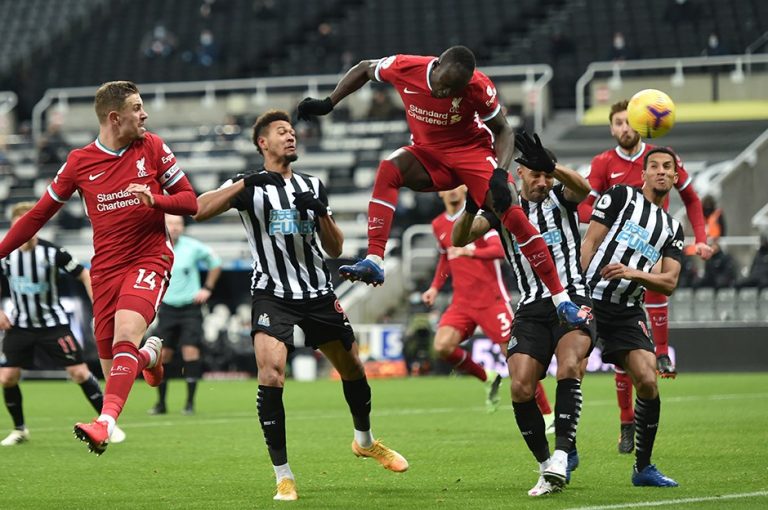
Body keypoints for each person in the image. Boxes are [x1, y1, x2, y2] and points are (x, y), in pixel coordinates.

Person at [193, 109, 408, 502]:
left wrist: (321, 211)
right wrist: (243, 183)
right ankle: (283, 475)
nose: (291, 137)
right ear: (263, 143)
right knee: (271, 374)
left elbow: (336, 248)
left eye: (293, 132)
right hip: (272, 295)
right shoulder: (249, 187)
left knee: (353, 367)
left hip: (318, 293)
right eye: (281, 132)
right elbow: (199, 208)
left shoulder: (312, 184)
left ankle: (365, 440)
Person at [297, 45, 587, 329]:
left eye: (454, 90)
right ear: (436, 67)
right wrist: (329, 102)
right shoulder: (404, 67)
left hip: (472, 154)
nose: (446, 94)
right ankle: (375, 258)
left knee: (511, 209)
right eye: (444, 85)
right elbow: (363, 68)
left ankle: (561, 299)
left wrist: (499, 173)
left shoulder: (477, 86)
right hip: (429, 154)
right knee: (389, 168)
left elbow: (503, 129)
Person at [0, 81, 198, 455]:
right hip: (106, 270)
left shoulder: (152, 147)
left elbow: (191, 202)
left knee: (125, 334)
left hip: (149, 258)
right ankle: (149, 356)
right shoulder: (79, 162)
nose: (144, 115)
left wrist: (154, 200)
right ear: (114, 117)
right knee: (114, 372)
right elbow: (38, 215)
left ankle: (104, 424)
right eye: (137, 108)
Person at [454, 133, 595, 496]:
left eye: (546, 175)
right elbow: (459, 238)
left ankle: (563, 453)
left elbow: (585, 188)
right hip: (532, 306)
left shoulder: (561, 198)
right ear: (518, 174)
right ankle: (546, 465)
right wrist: (471, 205)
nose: (543, 182)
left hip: (572, 296)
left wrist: (554, 167)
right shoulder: (504, 208)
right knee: (520, 386)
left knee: (569, 365)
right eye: (536, 175)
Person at [578, 99, 712, 453]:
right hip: (609, 262)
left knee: (640, 356)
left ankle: (662, 352)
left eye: (628, 121)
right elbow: (584, 207)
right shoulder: (606, 167)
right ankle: (613, 426)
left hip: (654, 248)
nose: (624, 128)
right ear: (611, 129)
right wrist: (608, 219)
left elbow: (693, 198)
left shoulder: (660, 157)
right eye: (618, 123)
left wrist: (702, 240)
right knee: (582, 362)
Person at [581, 147, 686, 488]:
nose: (660, 171)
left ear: (675, 176)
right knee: (572, 370)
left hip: (627, 309)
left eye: (666, 167)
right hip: (592, 298)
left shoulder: (673, 228)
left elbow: (669, 283)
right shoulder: (620, 197)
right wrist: (576, 290)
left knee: (648, 380)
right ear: (642, 174)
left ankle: (643, 467)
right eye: (653, 166)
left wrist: (633, 273)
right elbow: (590, 243)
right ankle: (563, 455)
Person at [421, 184, 555, 418]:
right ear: (440, 192)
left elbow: (498, 249)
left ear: (464, 189)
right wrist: (434, 287)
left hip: (492, 300)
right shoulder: (438, 225)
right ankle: (488, 377)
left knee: (516, 359)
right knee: (442, 347)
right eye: (448, 188)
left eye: (458, 186)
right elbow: (445, 258)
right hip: (461, 302)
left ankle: (547, 414)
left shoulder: (478, 219)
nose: (453, 191)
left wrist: (471, 252)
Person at [0, 203, 125, 446]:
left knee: (78, 373)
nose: (25, 232)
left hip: (53, 325)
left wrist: (98, 306)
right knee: (7, 377)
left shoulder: (53, 253)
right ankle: (20, 430)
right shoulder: (7, 255)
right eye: (19, 228)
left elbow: (84, 274)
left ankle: (108, 424)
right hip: (21, 325)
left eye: (29, 226)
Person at [148, 214, 222, 416]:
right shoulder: (156, 246)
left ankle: (189, 403)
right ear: (164, 225)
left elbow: (216, 262)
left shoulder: (193, 246)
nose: (175, 227)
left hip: (190, 308)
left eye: (179, 223)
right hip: (167, 308)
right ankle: (161, 403)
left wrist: (207, 288)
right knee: (163, 356)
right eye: (171, 223)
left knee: (191, 352)